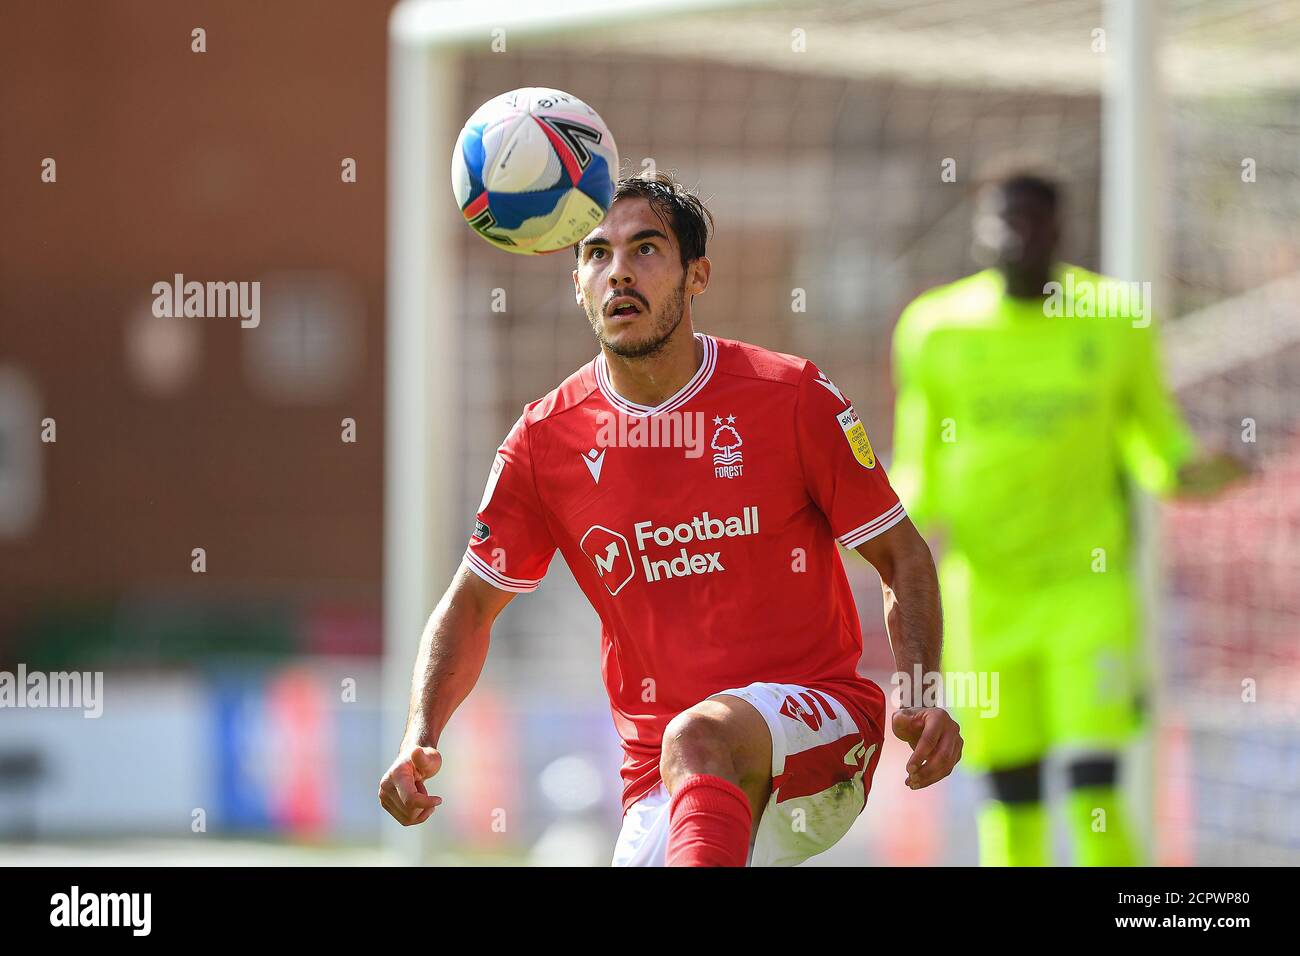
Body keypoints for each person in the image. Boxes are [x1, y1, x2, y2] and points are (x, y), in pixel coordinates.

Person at [378, 171, 962, 866]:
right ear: (576, 284)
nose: (618, 272)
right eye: (596, 254)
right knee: (691, 746)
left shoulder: (790, 396)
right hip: (665, 777)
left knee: (699, 735)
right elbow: (470, 604)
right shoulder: (544, 441)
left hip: (824, 729)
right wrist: (422, 732)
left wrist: (922, 690)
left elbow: (903, 557)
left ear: (697, 276)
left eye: (646, 249)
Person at [890, 171, 1248, 866]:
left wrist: (1192, 471)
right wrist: (853, 528)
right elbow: (919, 471)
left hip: (1089, 593)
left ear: (1063, 232)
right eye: (1002, 221)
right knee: (1010, 801)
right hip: (984, 597)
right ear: (979, 232)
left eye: (1032, 221)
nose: (1016, 235)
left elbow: (1155, 443)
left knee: (1094, 792)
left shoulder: (1114, 319)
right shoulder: (935, 329)